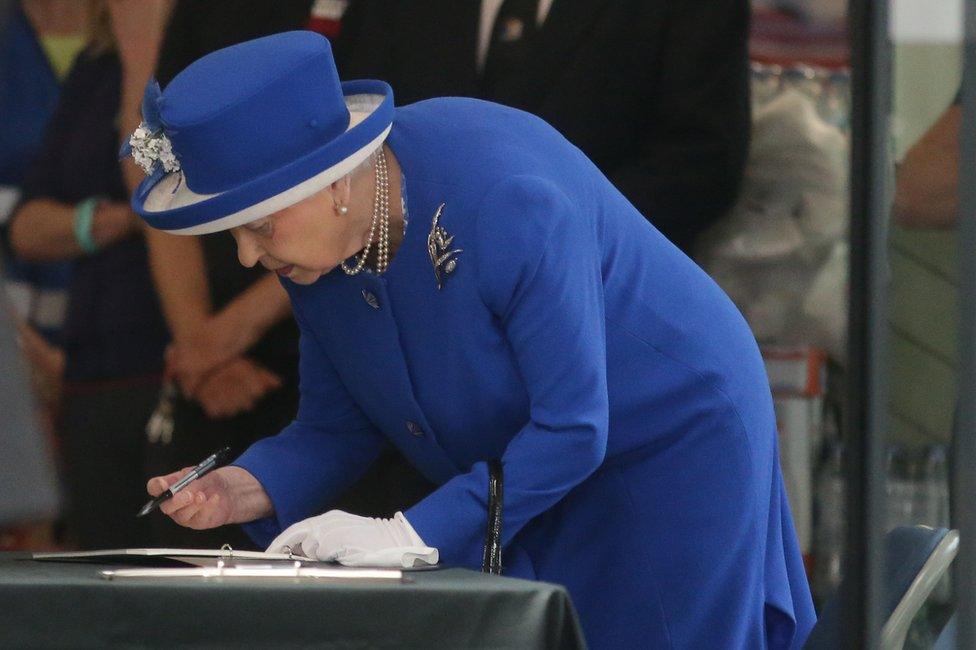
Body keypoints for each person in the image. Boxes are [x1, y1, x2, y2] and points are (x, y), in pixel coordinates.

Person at [136, 32, 814, 648]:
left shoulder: (508, 197)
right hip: (526, 473)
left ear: (334, 181)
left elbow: (574, 428)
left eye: (258, 225)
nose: (249, 258)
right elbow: (334, 428)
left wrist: (406, 536)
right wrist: (246, 486)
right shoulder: (317, 248)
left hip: (667, 449)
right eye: (233, 233)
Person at [333, 0, 752, 254]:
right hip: (405, 320)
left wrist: (529, 234)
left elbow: (702, 162)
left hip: (599, 314)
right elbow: (350, 130)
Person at [7, 0, 171, 549]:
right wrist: (122, 222)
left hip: (178, 369)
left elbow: (151, 180)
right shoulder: (95, 67)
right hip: (90, 372)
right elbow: (27, 228)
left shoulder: (204, 62)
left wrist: (144, 45)